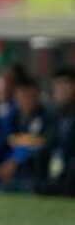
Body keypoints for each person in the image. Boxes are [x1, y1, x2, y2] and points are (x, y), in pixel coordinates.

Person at [37, 68, 75, 196]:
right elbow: (48, 143)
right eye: (56, 87)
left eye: (63, 86)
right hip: (58, 168)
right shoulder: (55, 115)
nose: (59, 92)